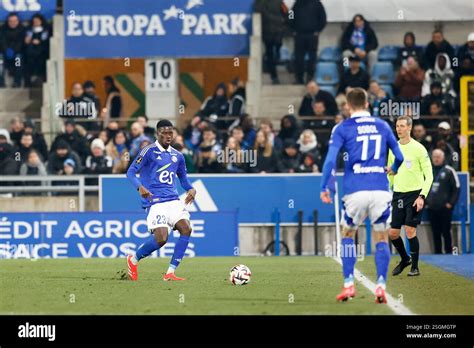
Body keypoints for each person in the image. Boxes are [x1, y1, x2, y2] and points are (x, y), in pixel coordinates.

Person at [320, 88, 404, 303]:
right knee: (381, 238)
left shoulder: (342, 128)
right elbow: (400, 156)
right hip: (380, 190)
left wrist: (325, 187)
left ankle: (348, 284)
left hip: (355, 190)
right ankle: (381, 286)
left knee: (348, 235)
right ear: (367, 104)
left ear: (348, 106)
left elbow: (330, 161)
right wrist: (392, 168)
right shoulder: (383, 126)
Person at [126, 119, 196, 281]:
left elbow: (183, 179)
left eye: (170, 132)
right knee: (161, 239)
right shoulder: (148, 151)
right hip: (155, 201)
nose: (168, 136)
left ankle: (170, 272)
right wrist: (139, 187)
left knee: (186, 229)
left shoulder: (177, 156)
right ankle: (133, 259)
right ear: (157, 134)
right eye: (164, 133)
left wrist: (190, 189)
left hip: (173, 200)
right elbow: (130, 172)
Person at [387, 116, 433, 277]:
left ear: (409, 128)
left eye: (401, 126)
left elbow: (429, 175)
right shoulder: (393, 148)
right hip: (398, 194)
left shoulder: (419, 148)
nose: (398, 129)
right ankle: (405, 258)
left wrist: (422, 196)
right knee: (393, 233)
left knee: (410, 230)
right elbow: (391, 172)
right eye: (397, 126)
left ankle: (415, 267)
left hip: (415, 194)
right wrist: (390, 187)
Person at [426, 149, 460, 254]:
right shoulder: (427, 171)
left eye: (438, 157)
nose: (436, 159)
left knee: (446, 232)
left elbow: (457, 188)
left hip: (445, 208)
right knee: (435, 233)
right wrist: (426, 202)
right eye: (434, 156)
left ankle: (449, 253)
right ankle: (437, 254)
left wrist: (451, 203)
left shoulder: (449, 170)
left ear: (443, 157)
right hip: (431, 208)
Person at [290, 0, 327, 84]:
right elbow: (290, 15)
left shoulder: (317, 3)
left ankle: (310, 78)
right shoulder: (297, 3)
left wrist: (318, 30)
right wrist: (293, 28)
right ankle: (299, 78)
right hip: (300, 34)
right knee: (299, 58)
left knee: (312, 57)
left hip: (312, 35)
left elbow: (323, 18)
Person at [254, 0, 286, 84]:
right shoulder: (278, 2)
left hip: (273, 32)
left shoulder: (278, 2)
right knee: (270, 55)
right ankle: (274, 76)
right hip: (270, 32)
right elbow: (289, 13)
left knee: (271, 54)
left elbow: (289, 13)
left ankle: (274, 76)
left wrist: (289, 23)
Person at [0, 12, 25, 87]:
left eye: (15, 21)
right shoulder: (3, 29)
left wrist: (13, 51)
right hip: (4, 53)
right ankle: (1, 83)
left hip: (17, 53)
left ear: (18, 21)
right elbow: (2, 41)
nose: (13, 23)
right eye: (10, 21)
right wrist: (6, 50)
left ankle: (17, 82)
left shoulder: (22, 29)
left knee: (18, 62)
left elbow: (20, 42)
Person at [24, 13, 49, 87]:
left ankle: (40, 80)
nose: (36, 23)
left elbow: (47, 42)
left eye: (37, 21)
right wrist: (27, 41)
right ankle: (28, 83)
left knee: (42, 62)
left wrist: (40, 42)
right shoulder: (29, 30)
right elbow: (25, 42)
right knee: (19, 61)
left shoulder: (46, 30)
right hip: (30, 53)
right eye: (34, 21)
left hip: (42, 52)